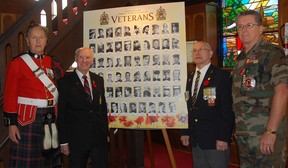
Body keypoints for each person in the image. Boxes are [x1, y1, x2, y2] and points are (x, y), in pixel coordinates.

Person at [232, 10, 288, 167]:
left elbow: (282, 92)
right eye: (240, 27)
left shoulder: (272, 52)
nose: (244, 30)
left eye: (249, 25)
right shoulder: (240, 58)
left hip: (264, 133)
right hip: (244, 134)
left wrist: (270, 132)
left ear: (261, 29)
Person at [3, 23, 64, 167]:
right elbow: (9, 94)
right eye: (34, 37)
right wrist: (11, 124)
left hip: (50, 117)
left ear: (46, 40)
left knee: (49, 161)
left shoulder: (53, 62)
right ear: (27, 40)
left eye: (41, 37)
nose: (38, 41)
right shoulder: (17, 63)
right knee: (27, 163)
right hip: (27, 119)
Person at [180, 41, 234, 168]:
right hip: (196, 138)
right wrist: (185, 131)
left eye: (201, 49)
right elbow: (186, 107)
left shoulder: (221, 76)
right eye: (194, 50)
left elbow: (227, 109)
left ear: (210, 54)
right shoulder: (189, 77)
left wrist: (224, 137)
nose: (197, 53)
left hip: (215, 139)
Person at [57, 47, 109, 167]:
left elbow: (103, 109)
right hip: (76, 139)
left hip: (98, 137)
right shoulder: (65, 82)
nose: (84, 60)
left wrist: (105, 133)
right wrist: (63, 141)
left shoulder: (98, 80)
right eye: (81, 57)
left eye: (87, 57)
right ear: (76, 59)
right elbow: (61, 113)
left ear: (92, 61)